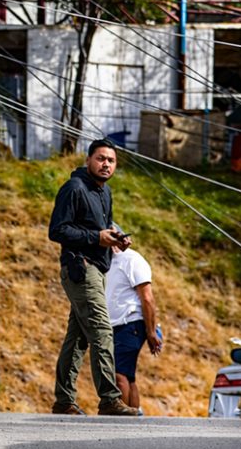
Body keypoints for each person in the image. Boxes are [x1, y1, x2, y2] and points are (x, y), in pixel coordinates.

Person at [47, 139, 141, 416]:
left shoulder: (105, 192)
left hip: (98, 270)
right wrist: (95, 238)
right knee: (102, 331)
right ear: (88, 160)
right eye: (100, 159)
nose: (106, 165)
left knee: (77, 339)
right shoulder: (74, 188)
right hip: (80, 267)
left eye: (111, 161)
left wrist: (116, 238)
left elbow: (104, 227)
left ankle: (63, 401)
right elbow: (57, 231)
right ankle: (110, 399)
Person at [105, 235, 162, 411]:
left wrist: (151, 332)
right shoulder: (106, 262)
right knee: (128, 376)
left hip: (130, 323)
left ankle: (120, 417)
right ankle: (134, 417)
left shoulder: (132, 259)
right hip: (116, 325)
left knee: (118, 374)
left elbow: (147, 298)